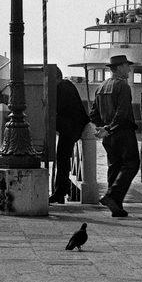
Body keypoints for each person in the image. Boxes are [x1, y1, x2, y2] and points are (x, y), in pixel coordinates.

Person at [89, 54, 140, 218]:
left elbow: (93, 114)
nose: (129, 70)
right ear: (119, 68)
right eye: (127, 66)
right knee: (132, 163)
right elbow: (122, 113)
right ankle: (112, 196)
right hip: (122, 132)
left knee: (114, 166)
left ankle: (116, 207)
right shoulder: (123, 86)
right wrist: (109, 128)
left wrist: (103, 128)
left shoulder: (101, 87)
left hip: (108, 136)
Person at [50, 76, 92, 204]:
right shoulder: (66, 85)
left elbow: (59, 108)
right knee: (62, 159)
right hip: (72, 126)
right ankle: (62, 190)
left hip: (70, 128)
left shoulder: (62, 87)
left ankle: (61, 191)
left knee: (62, 159)